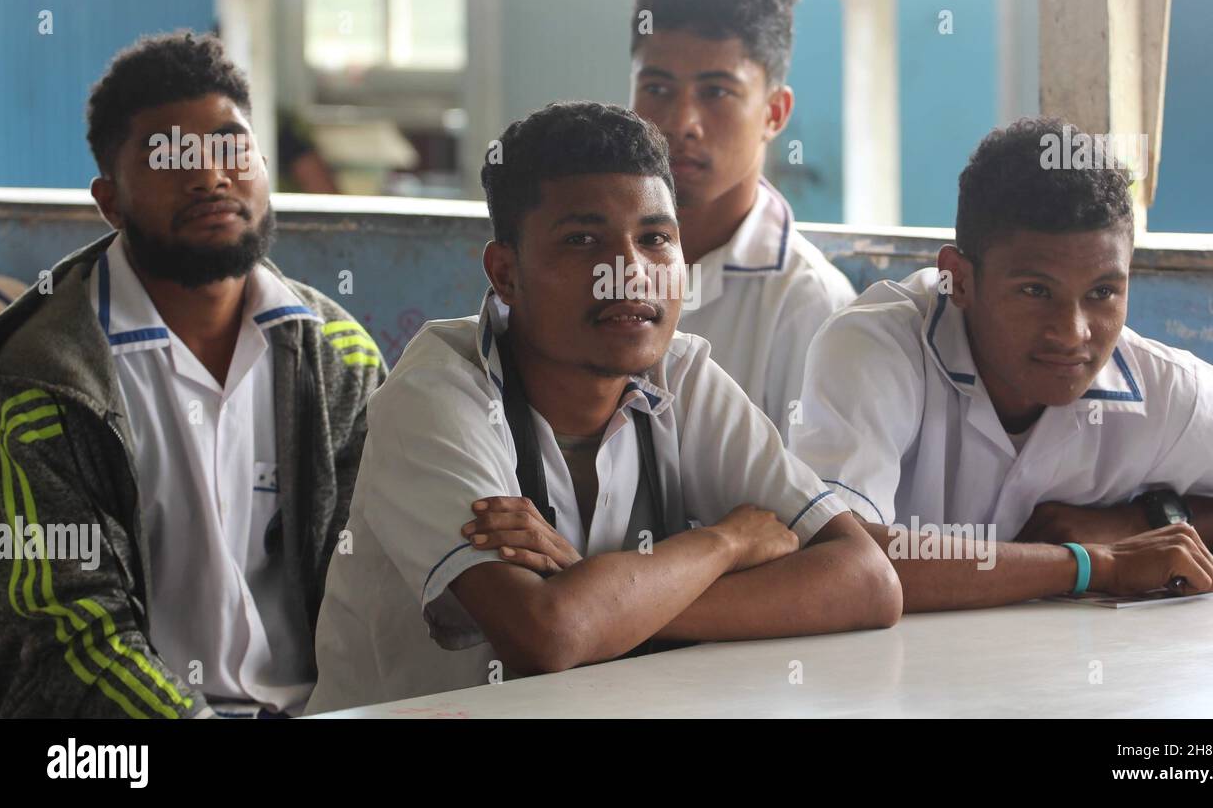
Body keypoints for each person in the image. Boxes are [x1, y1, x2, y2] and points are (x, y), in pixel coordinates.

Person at [306, 101, 899, 712]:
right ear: (505, 273)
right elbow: (546, 635)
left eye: (655, 239)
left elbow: (867, 580)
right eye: (583, 240)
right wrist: (723, 544)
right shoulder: (437, 395)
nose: (629, 273)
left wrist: (600, 588)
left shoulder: (684, 377)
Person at [0, 31, 385, 717]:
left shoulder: (339, 359)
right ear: (111, 201)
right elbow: (73, 640)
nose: (209, 176)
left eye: (231, 149)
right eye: (168, 155)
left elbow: (379, 586)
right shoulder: (42, 381)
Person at [791, 117, 1213, 610]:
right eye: (1035, 291)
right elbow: (839, 558)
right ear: (959, 279)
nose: (1073, 332)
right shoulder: (874, 349)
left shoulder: (1163, 392)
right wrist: (1087, 565)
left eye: (1103, 292)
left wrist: (1146, 522)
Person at [630, 0, 856, 441]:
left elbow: (813, 512)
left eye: (716, 92)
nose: (680, 123)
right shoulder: (584, 264)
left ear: (774, 113)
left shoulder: (807, 304)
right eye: (658, 89)